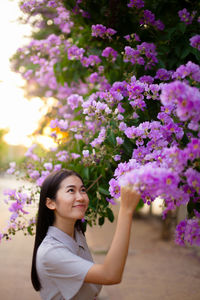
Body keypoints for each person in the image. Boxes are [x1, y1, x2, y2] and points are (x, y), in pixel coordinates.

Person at [31, 169, 140, 300]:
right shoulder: (51, 252)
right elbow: (110, 275)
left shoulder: (76, 233)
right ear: (50, 203)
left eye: (82, 190)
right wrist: (126, 210)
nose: (81, 197)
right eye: (71, 190)